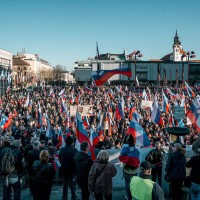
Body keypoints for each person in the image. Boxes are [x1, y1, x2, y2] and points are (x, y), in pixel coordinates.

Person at [119, 134, 140, 200]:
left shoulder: (125, 148)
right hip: (135, 169)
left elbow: (121, 155)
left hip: (127, 169)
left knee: (127, 184)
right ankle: (134, 196)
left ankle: (129, 197)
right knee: (135, 184)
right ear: (134, 141)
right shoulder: (137, 149)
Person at [59, 135, 78, 200]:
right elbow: (76, 160)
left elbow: (60, 157)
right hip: (72, 170)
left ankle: (64, 197)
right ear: (72, 142)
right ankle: (73, 196)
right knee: (73, 185)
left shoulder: (62, 149)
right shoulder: (75, 150)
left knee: (65, 184)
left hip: (64, 169)